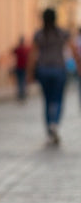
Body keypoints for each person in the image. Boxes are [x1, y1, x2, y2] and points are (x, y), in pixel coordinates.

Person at [29, 8, 69, 144]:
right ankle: (55, 123)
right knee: (58, 99)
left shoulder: (39, 34)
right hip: (59, 69)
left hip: (44, 70)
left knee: (47, 100)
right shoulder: (62, 33)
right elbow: (74, 51)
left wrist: (30, 73)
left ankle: (48, 129)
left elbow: (33, 55)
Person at [12, 35, 30, 102]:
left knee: (20, 82)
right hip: (22, 67)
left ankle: (21, 94)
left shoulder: (19, 48)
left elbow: (12, 51)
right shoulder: (26, 49)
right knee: (22, 82)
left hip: (21, 67)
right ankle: (22, 94)